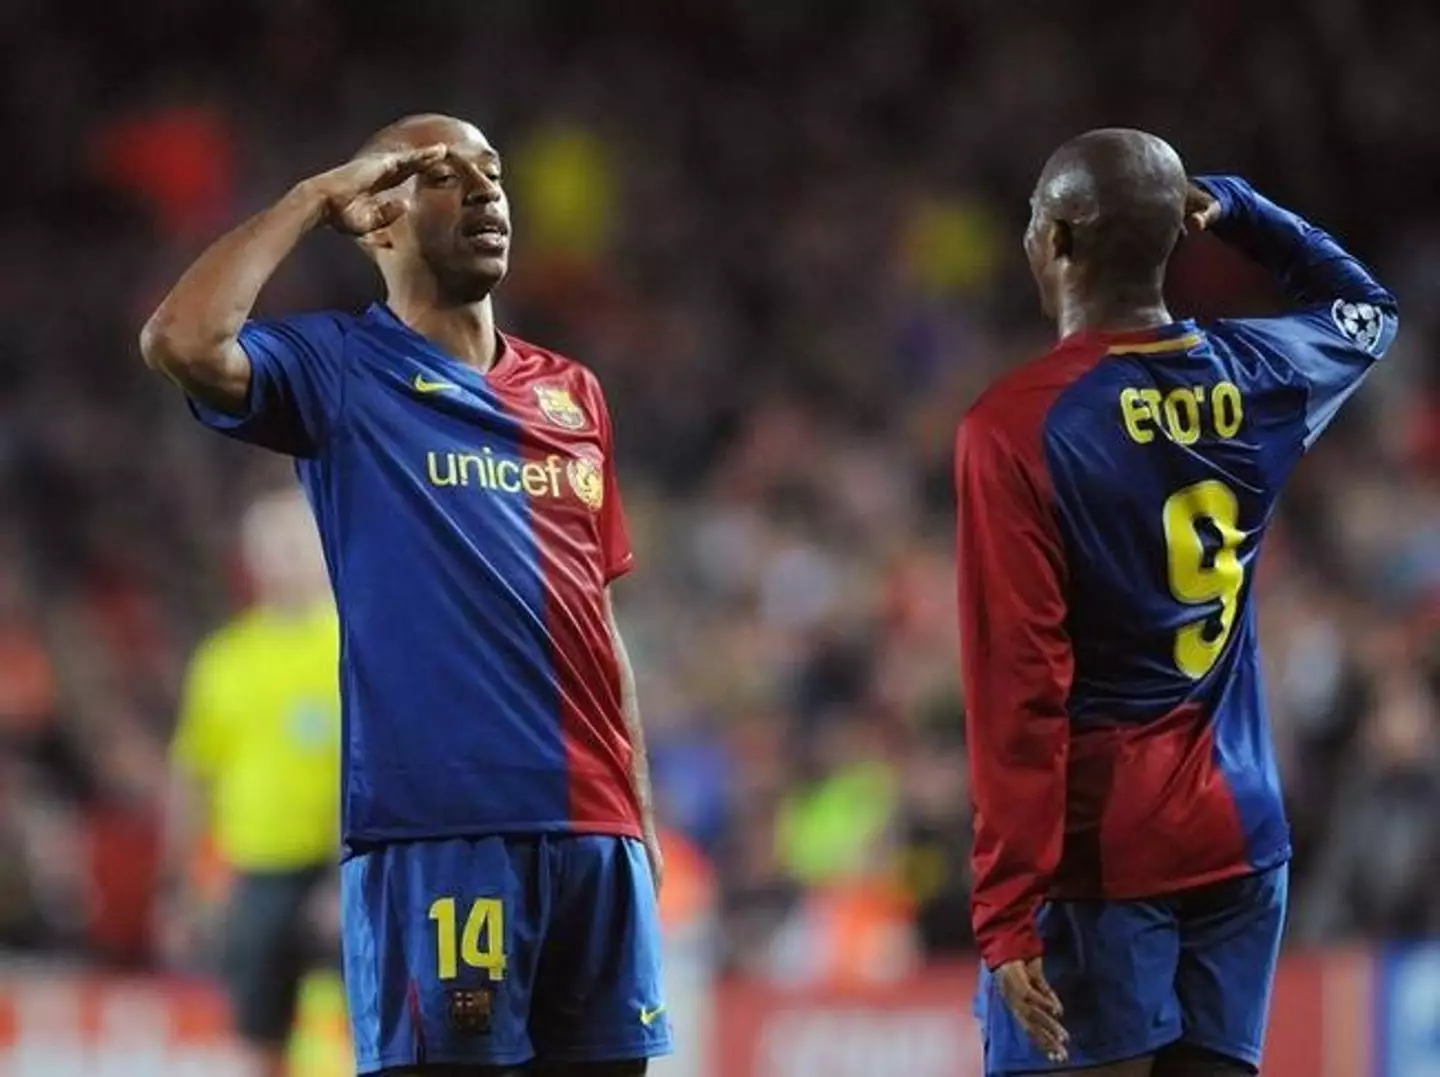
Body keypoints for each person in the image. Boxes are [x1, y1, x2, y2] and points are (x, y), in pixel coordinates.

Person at [140, 113, 670, 1077]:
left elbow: (598, 619)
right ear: (376, 217)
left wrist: (639, 816)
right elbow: (180, 338)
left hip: (596, 837)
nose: (485, 191)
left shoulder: (574, 394)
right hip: (439, 835)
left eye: (493, 171)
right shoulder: (341, 369)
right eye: (442, 174)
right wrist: (311, 196)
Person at [954, 128, 1397, 1077]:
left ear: (1060, 239)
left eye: (1034, 220)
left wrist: (1005, 906)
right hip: (1240, 836)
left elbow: (1021, 692)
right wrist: (1238, 204)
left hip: (1102, 858)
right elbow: (1365, 307)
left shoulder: (1016, 426)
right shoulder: (1260, 372)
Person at [160, 485, 342, 1077]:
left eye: (295, 543)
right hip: (257, 871)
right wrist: (181, 886)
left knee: (352, 1026)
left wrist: (346, 873)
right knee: (257, 1030)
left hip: (343, 870)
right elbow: (193, 775)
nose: (282, 558)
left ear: (322, 546)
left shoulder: (352, 645)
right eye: (269, 547)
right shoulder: (225, 660)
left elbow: (378, 768)